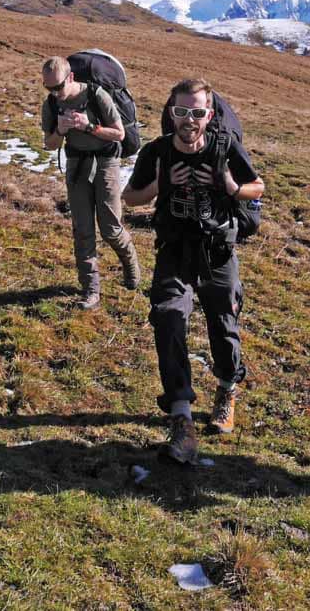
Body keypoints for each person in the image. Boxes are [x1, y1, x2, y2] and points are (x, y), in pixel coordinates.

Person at [122, 77, 264, 463]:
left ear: (210, 114)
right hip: (174, 250)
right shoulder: (157, 152)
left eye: (197, 112)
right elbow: (129, 198)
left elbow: (258, 187)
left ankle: (226, 389)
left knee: (224, 326)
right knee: (168, 317)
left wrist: (230, 185)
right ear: (171, 113)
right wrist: (159, 185)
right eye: (182, 111)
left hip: (217, 251)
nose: (189, 120)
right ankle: (181, 418)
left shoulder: (225, 147)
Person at [41, 55, 141, 310]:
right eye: (48, 88)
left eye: (58, 87)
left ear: (71, 77)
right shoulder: (51, 105)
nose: (55, 93)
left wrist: (89, 127)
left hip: (106, 163)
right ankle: (90, 291)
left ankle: (130, 265)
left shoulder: (97, 95)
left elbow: (119, 134)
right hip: (76, 165)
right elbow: (49, 144)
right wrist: (61, 131)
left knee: (110, 228)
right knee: (82, 230)